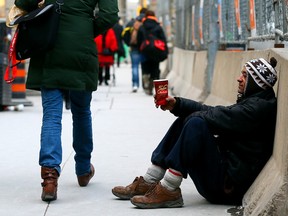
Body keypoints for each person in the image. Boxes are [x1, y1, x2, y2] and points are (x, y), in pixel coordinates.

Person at [112, 57, 278, 208]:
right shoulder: (256, 101)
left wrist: (190, 117)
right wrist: (178, 105)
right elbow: (214, 112)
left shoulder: (256, 109)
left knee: (195, 123)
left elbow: (214, 115)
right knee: (188, 121)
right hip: (223, 176)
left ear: (256, 82)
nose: (239, 79)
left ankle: (169, 190)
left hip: (227, 188)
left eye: (244, 75)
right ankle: (150, 181)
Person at [13, 0, 118, 202]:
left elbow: (23, 2)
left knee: (52, 115)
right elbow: (109, 15)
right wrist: (84, 27)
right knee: (81, 112)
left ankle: (50, 177)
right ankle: (83, 169)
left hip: (49, 44)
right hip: (81, 47)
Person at [137, 10, 168, 95]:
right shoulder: (158, 27)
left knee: (145, 68)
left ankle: (146, 81)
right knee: (155, 68)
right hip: (156, 51)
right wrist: (165, 51)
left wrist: (141, 48)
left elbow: (138, 41)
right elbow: (163, 40)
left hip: (144, 51)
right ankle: (153, 85)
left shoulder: (142, 27)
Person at [122, 7, 147, 93]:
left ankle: (135, 85)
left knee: (135, 67)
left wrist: (129, 43)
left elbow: (124, 34)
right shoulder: (147, 22)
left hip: (134, 48)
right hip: (145, 48)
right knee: (145, 67)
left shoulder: (132, 23)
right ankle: (146, 84)